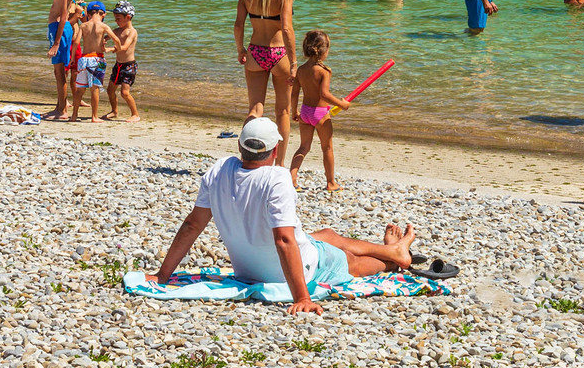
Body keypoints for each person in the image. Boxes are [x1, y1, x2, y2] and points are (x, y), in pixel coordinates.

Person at [153, 116, 417, 315]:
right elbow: (283, 240)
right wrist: (302, 297)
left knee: (326, 235)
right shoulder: (276, 178)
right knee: (348, 262)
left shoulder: (220, 169)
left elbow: (191, 225)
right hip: (288, 272)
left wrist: (162, 276)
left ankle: (392, 251)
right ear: (276, 149)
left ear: (239, 145)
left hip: (248, 269)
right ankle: (393, 259)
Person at [236, 0, 296, 144]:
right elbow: (286, 29)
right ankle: (279, 164)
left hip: (256, 51)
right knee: (283, 112)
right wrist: (294, 62)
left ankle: (247, 155)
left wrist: (240, 49)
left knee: (255, 109)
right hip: (280, 53)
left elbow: (238, 24)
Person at [290, 28, 340, 192]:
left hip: (305, 112)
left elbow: (295, 92)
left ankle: (292, 178)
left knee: (304, 147)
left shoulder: (301, 70)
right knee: (327, 148)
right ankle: (331, 183)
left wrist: (294, 111)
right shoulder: (324, 71)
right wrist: (342, 103)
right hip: (320, 114)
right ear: (324, 51)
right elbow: (324, 94)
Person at [70, 2, 113, 122]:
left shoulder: (84, 26)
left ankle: (74, 116)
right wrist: (116, 49)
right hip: (97, 59)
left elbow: (76, 43)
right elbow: (115, 38)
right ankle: (94, 116)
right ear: (103, 14)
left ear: (88, 14)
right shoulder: (103, 26)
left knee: (80, 89)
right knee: (95, 88)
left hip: (83, 59)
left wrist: (73, 57)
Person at [106, 2, 141, 120]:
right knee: (110, 90)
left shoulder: (132, 32)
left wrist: (111, 49)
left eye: (118, 19)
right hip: (118, 66)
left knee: (124, 93)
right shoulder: (116, 31)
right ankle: (114, 111)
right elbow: (105, 38)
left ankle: (135, 114)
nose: (116, 21)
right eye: (115, 19)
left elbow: (125, 47)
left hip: (129, 66)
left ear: (128, 17)